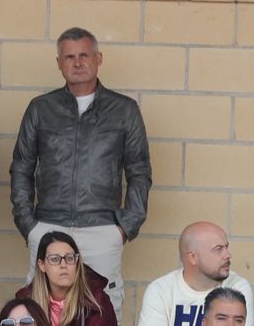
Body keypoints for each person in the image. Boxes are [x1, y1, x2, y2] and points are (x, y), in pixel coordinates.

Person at [10, 26, 151, 311]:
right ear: (59, 63)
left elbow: (139, 171)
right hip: (48, 225)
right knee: (43, 312)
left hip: (102, 228)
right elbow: (21, 167)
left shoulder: (124, 110)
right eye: (70, 56)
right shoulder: (41, 108)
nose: (78, 62)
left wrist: (125, 227)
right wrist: (29, 226)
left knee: (105, 314)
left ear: (99, 58)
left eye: (85, 55)